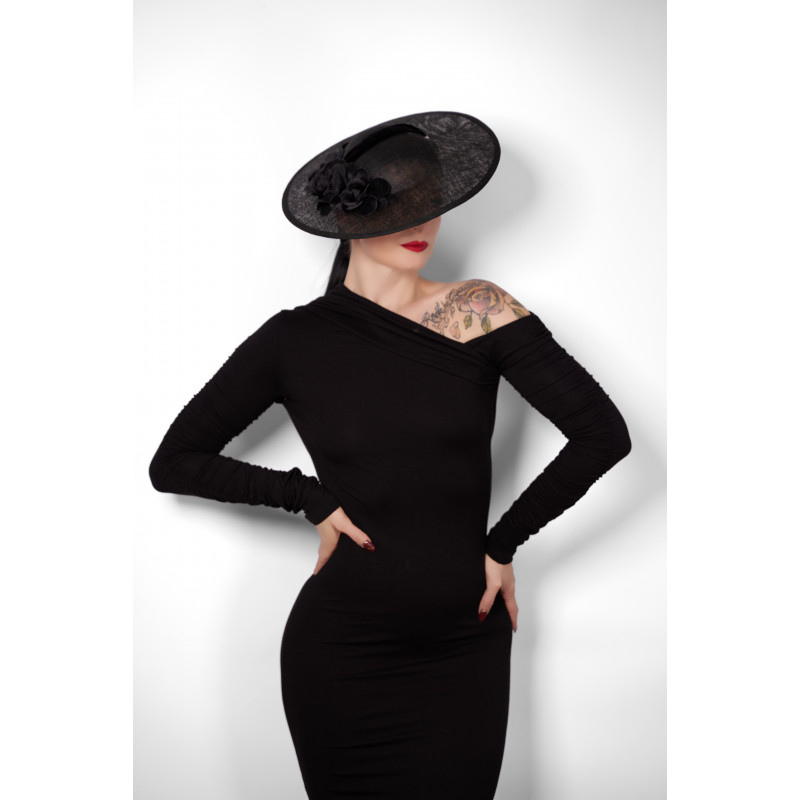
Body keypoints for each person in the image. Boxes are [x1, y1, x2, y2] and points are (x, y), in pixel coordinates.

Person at [148, 111, 632, 800]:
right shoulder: (294, 341)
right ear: (345, 218)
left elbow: (602, 434)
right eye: (396, 203)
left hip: (466, 640)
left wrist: (503, 543)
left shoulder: (480, 311)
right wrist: (307, 497)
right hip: (343, 648)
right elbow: (175, 461)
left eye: (431, 201)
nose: (422, 222)